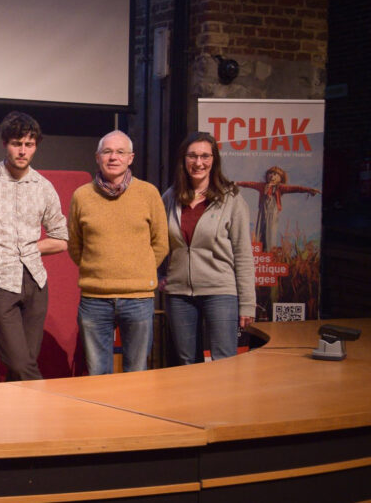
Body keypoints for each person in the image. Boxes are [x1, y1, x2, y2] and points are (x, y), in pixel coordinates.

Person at [0, 111, 68, 381]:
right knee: (22, 364)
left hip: (36, 282)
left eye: (29, 144)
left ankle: (19, 422)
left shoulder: (43, 186)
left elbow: (61, 239)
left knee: (21, 366)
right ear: (5, 144)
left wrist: (32, 248)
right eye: (16, 143)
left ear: (35, 146)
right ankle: (49, 406)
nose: (22, 151)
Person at [68, 130, 168, 375]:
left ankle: (134, 415)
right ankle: (103, 416)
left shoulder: (149, 193)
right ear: (97, 157)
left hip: (138, 298)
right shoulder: (82, 195)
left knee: (137, 371)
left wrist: (139, 270)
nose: (114, 157)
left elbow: (161, 243)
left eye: (120, 152)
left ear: (130, 158)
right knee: (97, 373)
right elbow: (75, 245)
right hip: (94, 299)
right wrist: (98, 270)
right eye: (107, 151)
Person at [162, 132, 256, 364]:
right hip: (179, 294)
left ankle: (223, 403)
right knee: (186, 362)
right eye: (192, 156)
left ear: (214, 160)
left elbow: (243, 254)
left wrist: (247, 304)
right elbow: (157, 243)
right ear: (183, 160)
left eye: (205, 156)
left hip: (220, 292)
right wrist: (160, 276)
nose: (198, 162)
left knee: (224, 361)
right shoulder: (170, 197)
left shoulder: (231, 199)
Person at [238, 166, 320, 250]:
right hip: (262, 213)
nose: (272, 177)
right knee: (260, 231)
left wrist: (308, 190)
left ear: (280, 178)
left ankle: (269, 251)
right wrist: (237, 183)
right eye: (270, 174)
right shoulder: (262, 186)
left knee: (270, 232)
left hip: (273, 213)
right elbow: (249, 184)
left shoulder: (280, 188)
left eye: (275, 175)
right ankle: (260, 252)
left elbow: (295, 188)